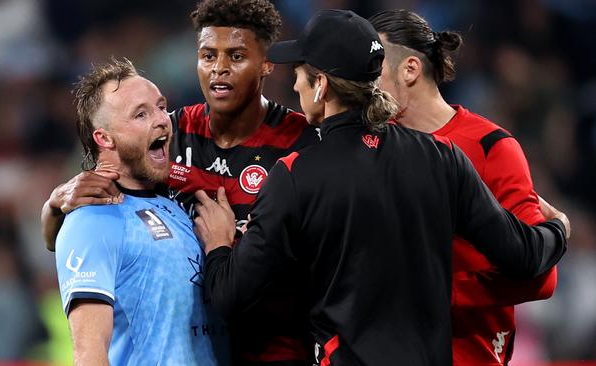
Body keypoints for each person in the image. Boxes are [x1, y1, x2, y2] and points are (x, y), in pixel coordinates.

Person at [192, 9, 570, 366]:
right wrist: (558, 229)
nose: (293, 83)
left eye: (301, 73)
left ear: (321, 85)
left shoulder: (294, 173)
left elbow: (231, 295)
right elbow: (525, 256)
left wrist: (220, 244)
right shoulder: (443, 157)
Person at [41, 1, 319, 364]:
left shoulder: (302, 143)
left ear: (265, 64)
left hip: (280, 350)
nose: (219, 69)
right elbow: (95, 219)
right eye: (207, 55)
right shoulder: (173, 133)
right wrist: (53, 207)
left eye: (235, 56)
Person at [368, 10, 557, 365]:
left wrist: (436, 292)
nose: (362, 82)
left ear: (409, 69)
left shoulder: (490, 147)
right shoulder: (368, 146)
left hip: (466, 353)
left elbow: (540, 278)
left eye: (373, 67)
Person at [53, 58, 217, 365]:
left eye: (160, 106)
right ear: (104, 138)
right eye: (141, 114)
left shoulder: (176, 205)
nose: (162, 119)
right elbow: (90, 354)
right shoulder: (92, 220)